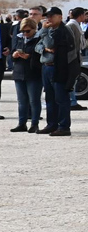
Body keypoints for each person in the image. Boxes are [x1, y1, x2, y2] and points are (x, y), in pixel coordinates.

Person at [41, 7, 76, 137]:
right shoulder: (50, 30)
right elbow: (39, 45)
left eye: (51, 16)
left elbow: (50, 45)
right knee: (50, 98)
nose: (48, 19)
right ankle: (52, 124)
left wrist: (44, 31)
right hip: (47, 66)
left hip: (59, 68)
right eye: (47, 16)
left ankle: (64, 126)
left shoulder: (63, 31)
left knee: (61, 99)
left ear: (60, 17)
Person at [10, 18, 43, 133]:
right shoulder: (19, 37)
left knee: (34, 100)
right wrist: (14, 55)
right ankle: (22, 123)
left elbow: (41, 57)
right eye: (23, 31)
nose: (25, 34)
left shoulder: (39, 39)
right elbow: (12, 53)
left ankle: (34, 123)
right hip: (19, 72)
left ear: (34, 29)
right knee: (22, 101)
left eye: (28, 31)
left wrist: (29, 57)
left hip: (33, 73)